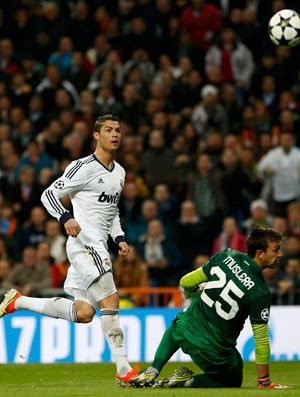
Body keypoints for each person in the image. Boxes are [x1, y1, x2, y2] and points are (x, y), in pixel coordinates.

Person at [0, 114, 139, 385]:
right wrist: (66, 218)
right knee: (111, 300)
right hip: (84, 244)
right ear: (96, 135)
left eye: (118, 130)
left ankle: (19, 301)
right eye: (108, 130)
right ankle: (123, 368)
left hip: (100, 245)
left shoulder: (120, 173)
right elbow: (48, 194)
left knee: (84, 313)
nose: (115, 134)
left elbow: (111, 212)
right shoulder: (83, 167)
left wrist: (119, 237)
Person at [130, 225, 289, 389]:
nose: (280, 254)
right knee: (233, 376)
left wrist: (195, 293)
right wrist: (264, 381)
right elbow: (261, 340)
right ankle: (186, 382)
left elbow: (185, 282)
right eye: (276, 250)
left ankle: (152, 370)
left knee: (179, 322)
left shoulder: (226, 256)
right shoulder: (260, 292)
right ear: (260, 254)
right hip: (213, 350)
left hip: (185, 331)